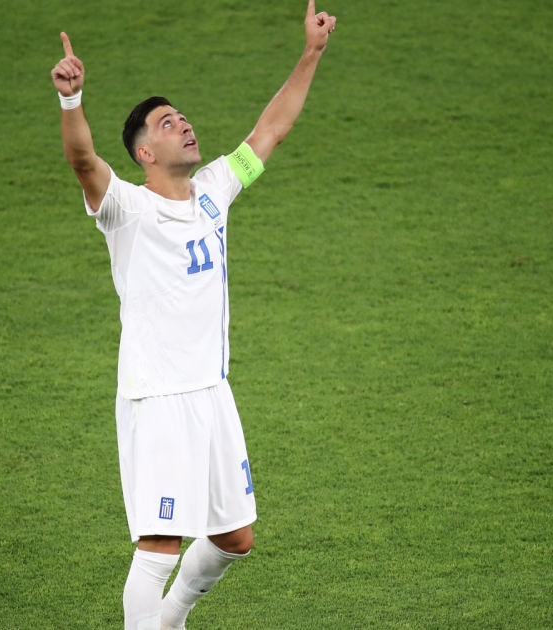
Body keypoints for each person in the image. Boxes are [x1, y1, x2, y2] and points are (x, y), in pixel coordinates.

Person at [51, 2, 336, 628]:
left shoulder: (214, 190)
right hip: (157, 397)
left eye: (182, 117)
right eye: (167, 123)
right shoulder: (125, 209)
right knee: (159, 547)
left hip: (212, 392)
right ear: (144, 152)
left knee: (235, 537)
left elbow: (271, 130)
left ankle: (171, 619)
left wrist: (311, 53)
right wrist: (72, 100)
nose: (183, 125)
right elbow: (82, 160)